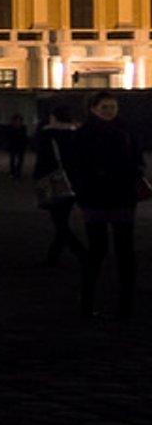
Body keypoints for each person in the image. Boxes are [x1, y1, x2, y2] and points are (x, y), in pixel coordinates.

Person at [68, 90, 143, 320]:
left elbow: (138, 159)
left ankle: (125, 304)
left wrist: (135, 172)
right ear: (93, 109)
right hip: (96, 199)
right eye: (105, 108)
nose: (110, 112)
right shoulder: (82, 135)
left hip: (121, 197)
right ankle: (88, 300)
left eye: (112, 107)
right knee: (97, 250)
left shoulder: (125, 131)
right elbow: (75, 168)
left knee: (125, 252)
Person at [33, 104, 87, 271]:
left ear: (54, 117)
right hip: (75, 182)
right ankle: (53, 257)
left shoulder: (47, 134)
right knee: (62, 221)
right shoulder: (78, 134)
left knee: (60, 223)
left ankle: (81, 253)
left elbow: (42, 160)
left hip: (55, 180)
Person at [5, 113, 29, 179]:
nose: (18, 122)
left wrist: (25, 144)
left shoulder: (23, 128)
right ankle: (12, 172)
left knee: (20, 160)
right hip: (13, 145)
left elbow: (24, 137)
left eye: (19, 121)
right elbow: (8, 137)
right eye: (17, 120)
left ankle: (18, 172)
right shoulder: (10, 128)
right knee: (12, 160)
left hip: (21, 146)